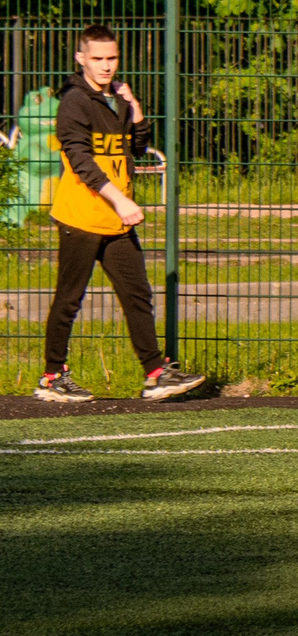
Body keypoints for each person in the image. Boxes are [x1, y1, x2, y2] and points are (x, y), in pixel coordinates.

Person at [35, 26, 207, 402]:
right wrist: (120, 199)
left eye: (111, 58)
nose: (105, 66)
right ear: (81, 58)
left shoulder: (117, 99)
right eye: (97, 59)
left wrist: (136, 111)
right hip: (82, 216)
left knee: (136, 293)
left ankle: (156, 374)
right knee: (69, 299)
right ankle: (52, 377)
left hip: (116, 221)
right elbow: (80, 160)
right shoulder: (74, 103)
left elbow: (136, 146)